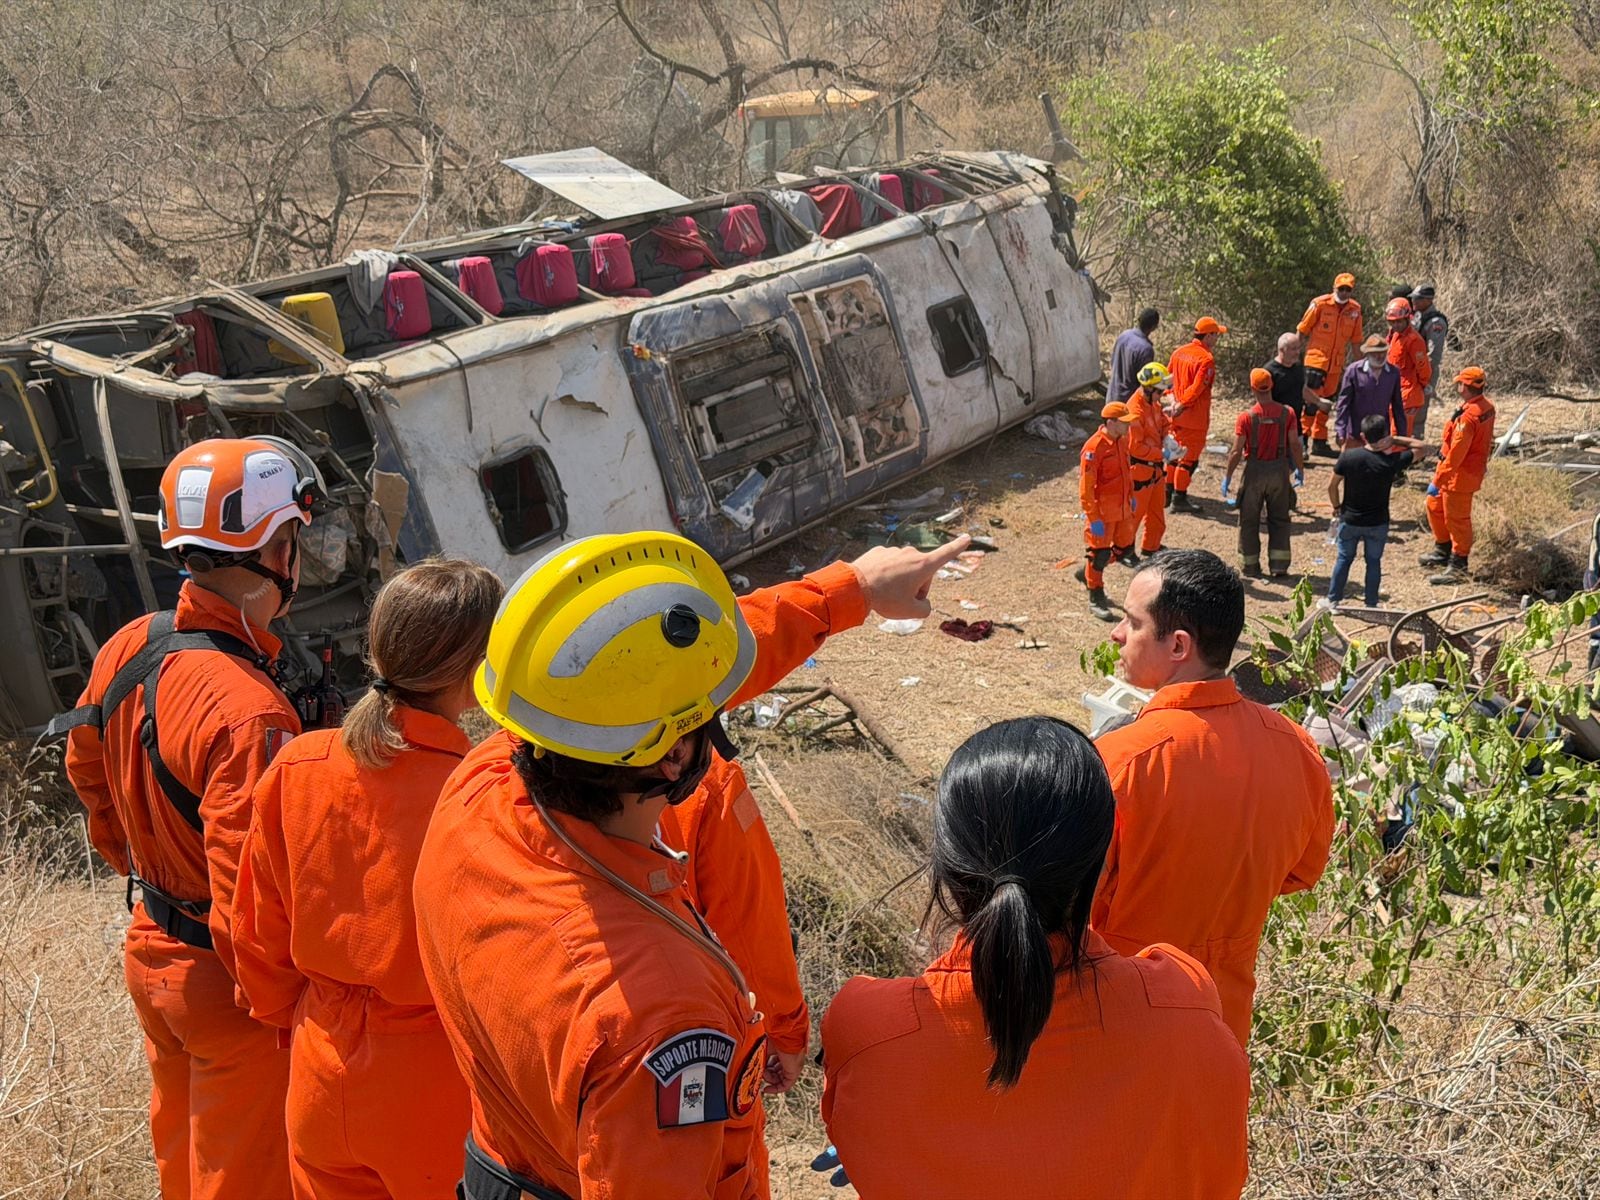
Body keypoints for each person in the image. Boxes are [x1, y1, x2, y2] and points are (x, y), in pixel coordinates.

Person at [412, 532, 968, 1199]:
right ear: (675, 757)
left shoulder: (479, 785)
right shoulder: (659, 1017)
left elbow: (638, 679)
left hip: (505, 1163)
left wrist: (849, 590)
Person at [818, 717, 1249, 1200]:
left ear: (946, 864)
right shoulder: (1183, 1004)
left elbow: (862, 1145)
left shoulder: (867, 1030)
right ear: (1103, 859)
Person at [58, 436, 321, 1199]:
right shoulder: (252, 714)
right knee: (246, 1182)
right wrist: (283, 1010)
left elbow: (90, 782)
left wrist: (155, 878)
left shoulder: (127, 647)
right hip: (232, 991)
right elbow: (253, 893)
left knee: (185, 1165)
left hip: (154, 953)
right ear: (280, 545)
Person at [232, 559, 503, 1200]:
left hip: (319, 1069)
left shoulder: (300, 763)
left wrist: (296, 1025)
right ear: (480, 665)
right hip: (437, 1085)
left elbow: (253, 929)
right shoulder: (482, 791)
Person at [1094, 549, 1335, 1044]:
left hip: (1117, 1024)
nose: (1117, 634)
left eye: (1131, 622)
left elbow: (1064, 904)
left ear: (1178, 645)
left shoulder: (1120, 761)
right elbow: (1301, 871)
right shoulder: (1297, 749)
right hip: (1221, 1031)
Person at [1327, 414, 1430, 607]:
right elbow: (1423, 448)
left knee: (1343, 559)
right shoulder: (1392, 462)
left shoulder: (1348, 457)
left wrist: (1336, 507)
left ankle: (1333, 601)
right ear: (1385, 435)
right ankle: (1371, 604)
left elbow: (1332, 486)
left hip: (1350, 519)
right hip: (1378, 522)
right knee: (1373, 562)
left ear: (1363, 436)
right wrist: (1396, 439)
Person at [1221, 368, 1304, 578]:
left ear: (1252, 389)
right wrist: (1299, 470)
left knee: (1249, 520)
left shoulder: (1246, 417)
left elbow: (1236, 451)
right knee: (1280, 519)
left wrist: (1228, 476)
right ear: (1271, 386)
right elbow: (1295, 444)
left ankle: (1250, 566)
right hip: (1279, 472)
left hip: (1254, 473)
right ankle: (1279, 565)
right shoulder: (1288, 413)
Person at [1421, 366, 1497, 584]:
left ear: (1465, 386)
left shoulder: (1470, 418)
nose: (1457, 386)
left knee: (1458, 520)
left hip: (1459, 475)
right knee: (1434, 506)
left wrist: (1438, 480)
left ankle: (1458, 564)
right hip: (1455, 471)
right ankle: (1442, 550)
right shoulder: (1484, 407)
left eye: (1459, 383)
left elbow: (1456, 455)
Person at [1077, 400, 1139, 622]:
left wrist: (1131, 498)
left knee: (1125, 551)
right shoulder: (1094, 448)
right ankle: (1095, 594)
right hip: (1103, 513)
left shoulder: (1122, 441)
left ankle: (1088, 570)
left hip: (1122, 509)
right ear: (1111, 423)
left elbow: (1126, 473)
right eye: (1124, 423)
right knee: (1100, 554)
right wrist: (1093, 517)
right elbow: (1086, 487)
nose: (1128, 426)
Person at [1297, 272, 1364, 456]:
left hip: (1335, 365)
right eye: (1340, 289)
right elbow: (1302, 330)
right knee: (1311, 403)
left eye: (1347, 290)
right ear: (1334, 288)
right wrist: (1294, 356)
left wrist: (1361, 368)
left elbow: (1356, 341)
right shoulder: (1320, 304)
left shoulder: (1355, 310)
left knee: (1327, 403)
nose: (1343, 293)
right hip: (1316, 360)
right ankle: (1302, 441)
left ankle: (1319, 441)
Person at [1165, 316, 1225, 512]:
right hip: (1194, 418)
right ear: (1208, 336)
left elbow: (1167, 382)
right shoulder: (1206, 359)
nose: (1217, 339)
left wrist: (1173, 402)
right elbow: (1197, 388)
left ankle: (1167, 492)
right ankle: (1179, 499)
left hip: (1174, 415)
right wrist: (1181, 405)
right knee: (1188, 460)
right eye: (1216, 335)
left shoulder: (1178, 352)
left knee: (1174, 455)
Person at [1127, 362, 1176, 557]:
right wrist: (1162, 454)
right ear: (1148, 388)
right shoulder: (1134, 411)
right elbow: (1135, 447)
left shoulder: (1152, 403)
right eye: (1159, 392)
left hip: (1155, 470)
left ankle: (1151, 546)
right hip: (1140, 470)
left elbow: (1161, 422)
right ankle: (1125, 551)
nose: (1162, 396)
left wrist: (1168, 436)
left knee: (1157, 513)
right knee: (1134, 516)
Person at [1334, 334, 1406, 451]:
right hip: (1355, 434)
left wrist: (1402, 434)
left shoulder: (1393, 373)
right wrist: (1340, 430)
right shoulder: (1353, 371)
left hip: (1381, 436)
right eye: (1375, 353)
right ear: (1367, 354)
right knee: (1352, 467)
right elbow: (1343, 404)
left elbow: (1397, 405)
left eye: (1382, 352)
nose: (1380, 356)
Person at [1385, 296, 1433, 437]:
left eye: (1399, 321)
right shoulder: (1395, 335)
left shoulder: (1414, 340)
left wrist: (1421, 386)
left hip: (1408, 395)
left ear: (1407, 318)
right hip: (1394, 391)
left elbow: (1424, 370)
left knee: (1399, 434)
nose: (1396, 325)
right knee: (1390, 433)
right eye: (1392, 322)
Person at [1263, 331, 1323, 431]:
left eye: (1298, 348)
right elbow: (1264, 402)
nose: (1297, 352)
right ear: (1282, 350)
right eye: (1293, 349)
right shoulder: (1269, 372)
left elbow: (1302, 389)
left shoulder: (1298, 367)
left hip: (1296, 427)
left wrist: (1319, 402)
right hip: (1275, 428)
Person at [1411, 285, 1450, 437]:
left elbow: (1434, 354)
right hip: (1413, 369)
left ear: (1428, 300)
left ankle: (1417, 440)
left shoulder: (1436, 322)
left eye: (1418, 298)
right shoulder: (1419, 315)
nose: (1414, 301)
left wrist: (1422, 373)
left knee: (1419, 408)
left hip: (1425, 371)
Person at [1105, 307, 1160, 404]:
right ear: (1153, 327)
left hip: (1112, 396)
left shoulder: (1123, 335)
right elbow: (1145, 382)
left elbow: (1113, 363)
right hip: (1128, 403)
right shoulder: (1146, 349)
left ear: (1139, 320)